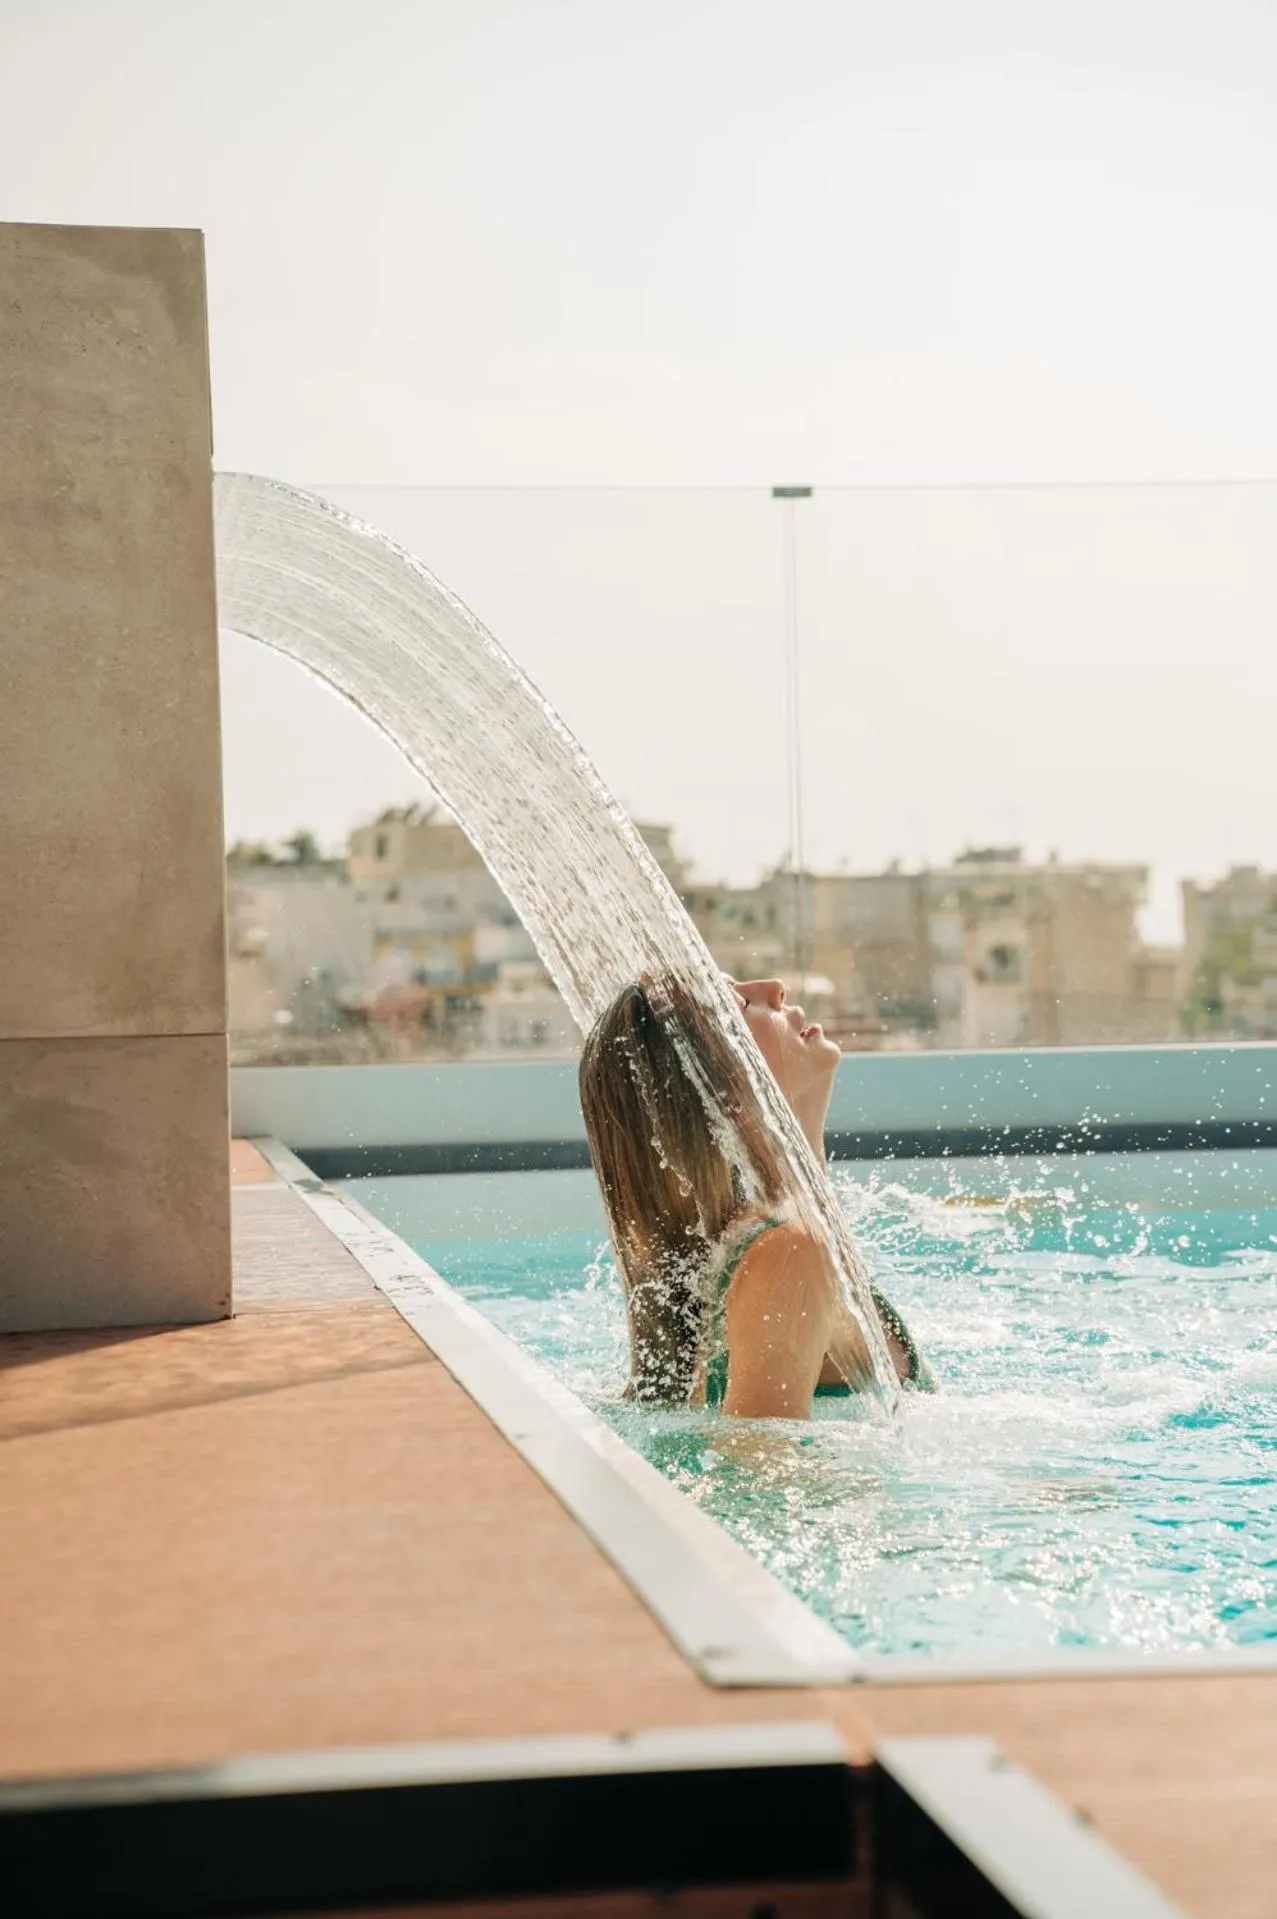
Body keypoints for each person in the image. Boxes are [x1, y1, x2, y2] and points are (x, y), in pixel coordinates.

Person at [579, 972, 932, 1419]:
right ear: (720, 1096)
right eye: (741, 1006)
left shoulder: (752, 1243)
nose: (773, 987)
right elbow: (759, 1478)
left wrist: (802, 1125)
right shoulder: (788, 1252)